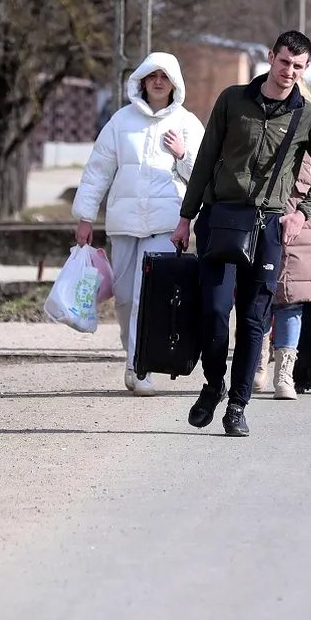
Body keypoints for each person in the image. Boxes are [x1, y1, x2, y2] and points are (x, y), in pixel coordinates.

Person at [175, 30, 311, 436]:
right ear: (271, 57)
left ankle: (237, 404)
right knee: (214, 312)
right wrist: (185, 216)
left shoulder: (308, 116)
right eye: (284, 62)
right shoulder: (233, 100)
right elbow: (207, 158)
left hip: (267, 226)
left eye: (298, 67)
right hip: (220, 218)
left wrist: (302, 212)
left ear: (306, 69)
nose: (289, 72)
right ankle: (213, 385)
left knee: (252, 319)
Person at [71, 52, 205, 397]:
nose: (158, 81)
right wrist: (85, 217)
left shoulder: (188, 123)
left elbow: (204, 177)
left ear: (174, 83)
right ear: (142, 81)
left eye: (165, 76)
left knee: (149, 298)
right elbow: (98, 171)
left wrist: (182, 154)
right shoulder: (120, 121)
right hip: (124, 223)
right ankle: (131, 353)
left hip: (165, 223)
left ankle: (139, 364)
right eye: (152, 75)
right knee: (126, 298)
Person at [252, 80, 311, 399]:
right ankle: (257, 364)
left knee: (292, 300)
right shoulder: (260, 126)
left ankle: (284, 373)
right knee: (260, 297)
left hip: (306, 225)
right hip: (264, 220)